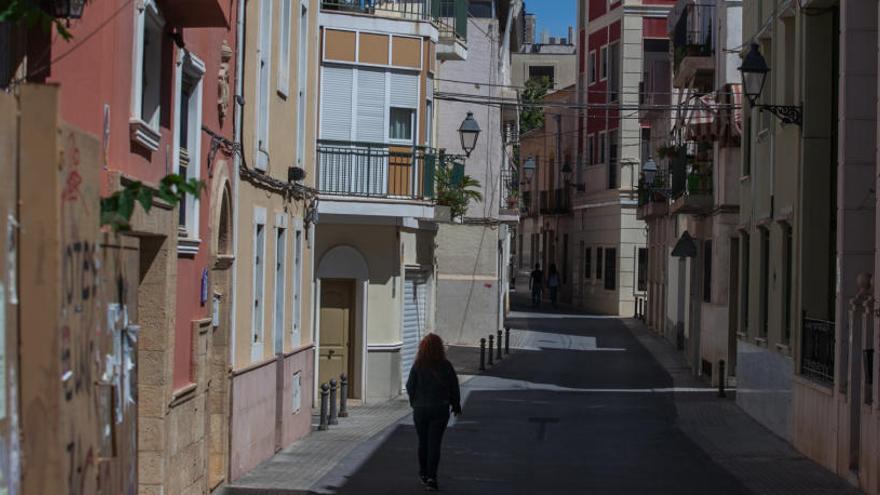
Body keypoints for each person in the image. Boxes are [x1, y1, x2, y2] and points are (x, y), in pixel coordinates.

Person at [406, 333, 462, 492]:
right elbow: (454, 386)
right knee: (434, 444)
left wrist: (414, 403)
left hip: (421, 409)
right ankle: (432, 478)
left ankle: (423, 473)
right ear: (440, 348)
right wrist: (456, 405)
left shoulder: (418, 365)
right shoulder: (446, 365)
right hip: (440, 409)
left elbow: (410, 386)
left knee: (423, 442)